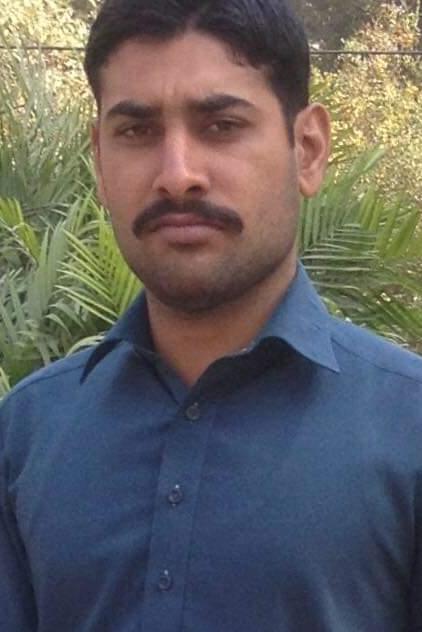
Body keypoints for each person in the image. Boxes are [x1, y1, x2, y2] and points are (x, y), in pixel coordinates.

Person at [1, 0, 422, 630]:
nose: (177, 176)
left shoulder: (408, 429)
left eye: (221, 125)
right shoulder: (28, 435)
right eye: (136, 131)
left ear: (308, 150)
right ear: (99, 160)